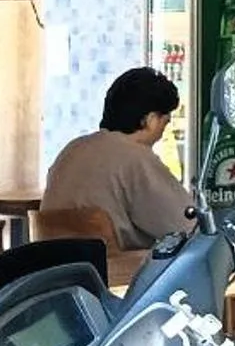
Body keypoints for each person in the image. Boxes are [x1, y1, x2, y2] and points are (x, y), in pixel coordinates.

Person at [44, 68, 196, 251]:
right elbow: (190, 228)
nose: (163, 132)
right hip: (112, 274)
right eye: (165, 122)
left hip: (52, 272)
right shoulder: (136, 159)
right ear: (150, 120)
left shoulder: (72, 149)